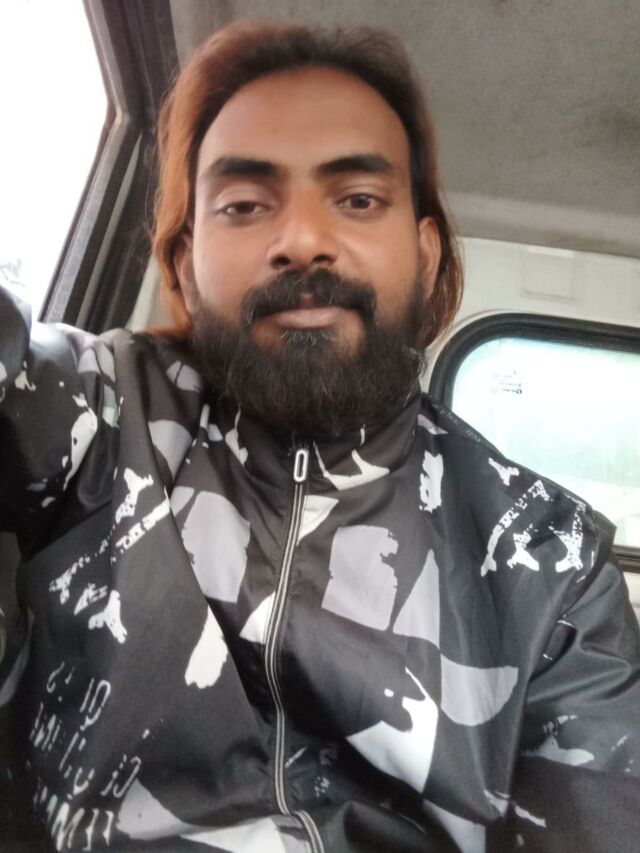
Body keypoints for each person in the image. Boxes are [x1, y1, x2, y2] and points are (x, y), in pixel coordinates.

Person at [0, 20, 638, 853]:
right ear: (186, 263)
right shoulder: (98, 410)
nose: (301, 239)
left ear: (426, 254)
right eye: (244, 205)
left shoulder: (550, 564)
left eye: (358, 199)